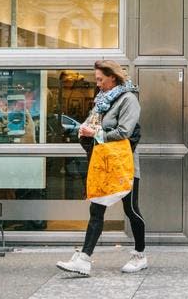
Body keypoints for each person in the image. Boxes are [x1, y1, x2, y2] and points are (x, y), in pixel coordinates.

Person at [57, 60, 147, 276]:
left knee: (131, 210)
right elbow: (93, 123)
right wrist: (83, 129)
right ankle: (85, 259)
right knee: (96, 209)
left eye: (100, 79)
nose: (97, 84)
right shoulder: (101, 101)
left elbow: (125, 131)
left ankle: (140, 254)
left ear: (112, 77)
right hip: (103, 164)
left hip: (124, 164)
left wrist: (95, 134)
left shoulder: (128, 100)